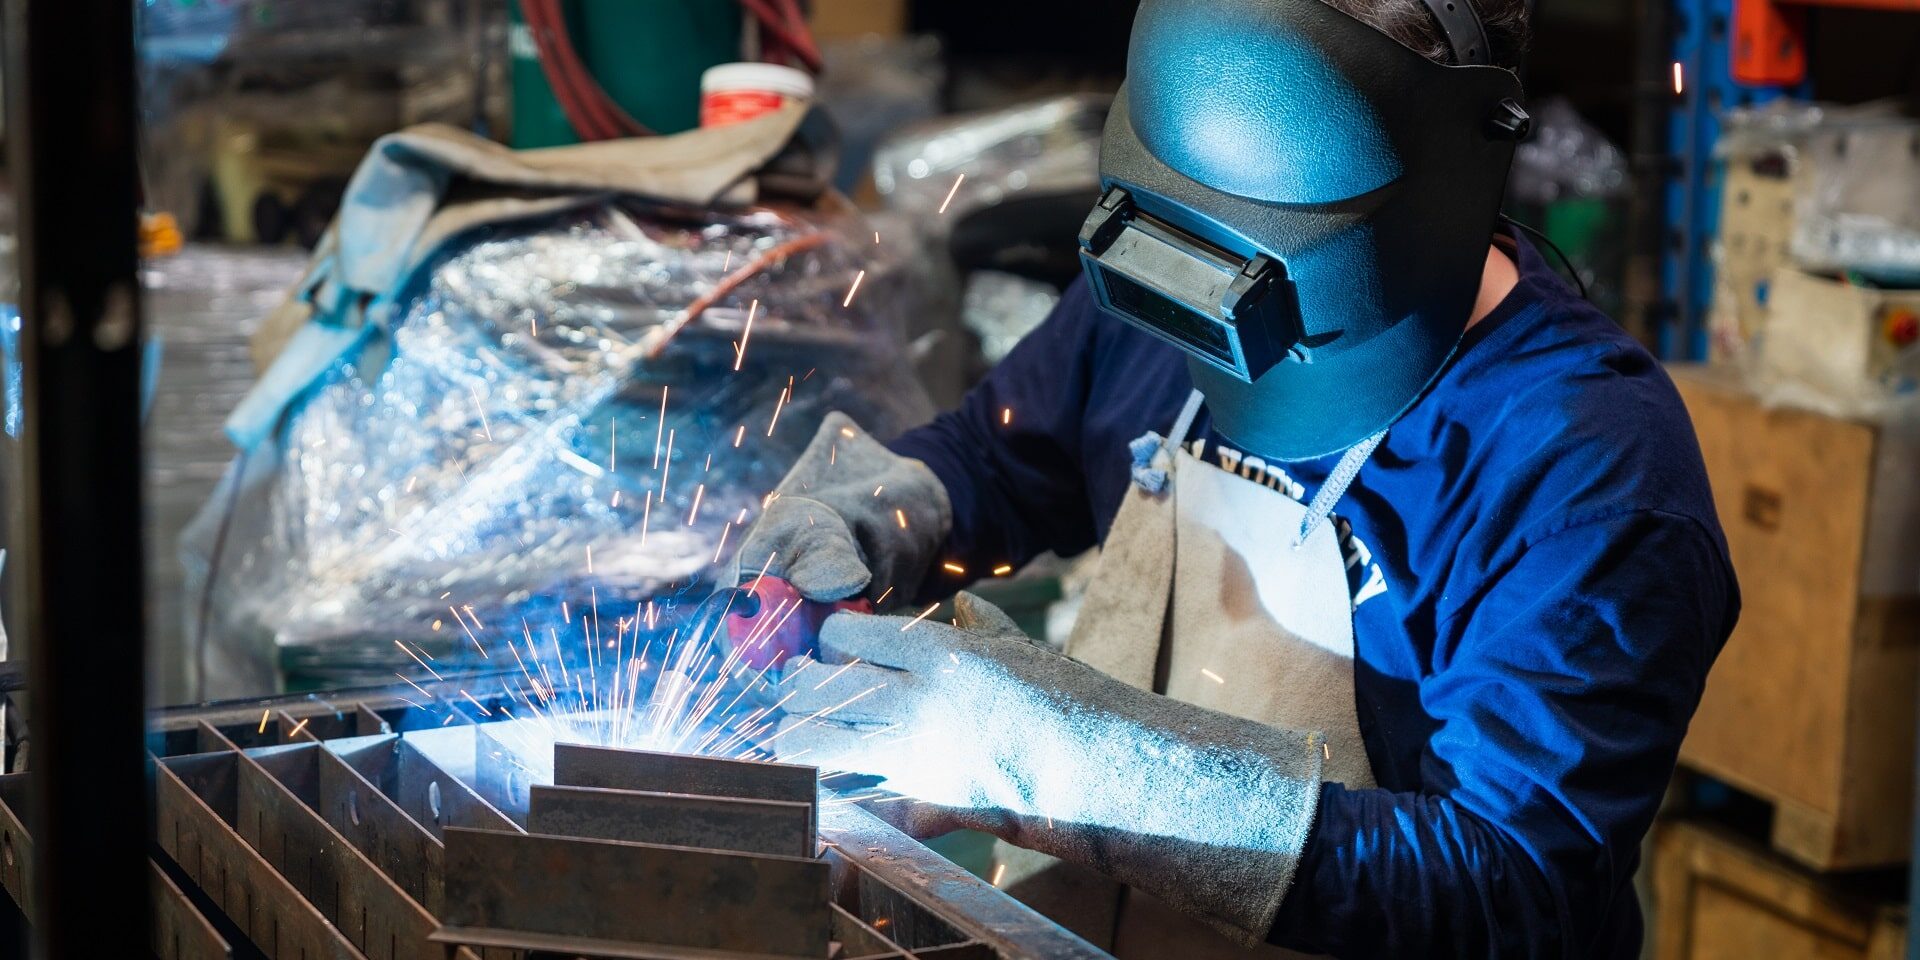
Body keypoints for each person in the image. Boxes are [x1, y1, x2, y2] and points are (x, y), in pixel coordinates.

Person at [740, 0, 1738, 955]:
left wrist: (1084, 769)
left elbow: (1514, 889)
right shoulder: (1165, 277)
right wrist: (885, 512)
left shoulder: (1585, 469)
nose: (1204, 299)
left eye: (1251, 249)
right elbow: (1007, 453)